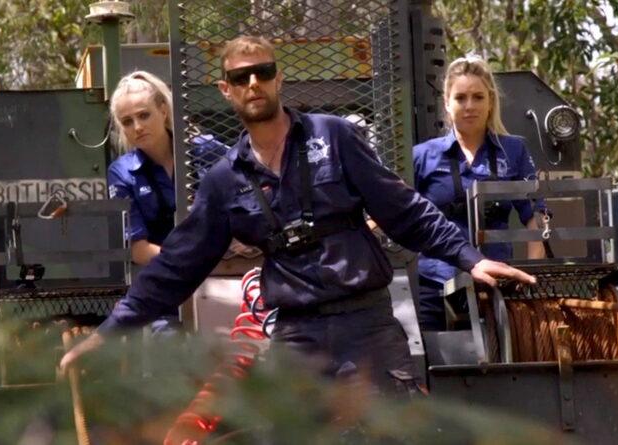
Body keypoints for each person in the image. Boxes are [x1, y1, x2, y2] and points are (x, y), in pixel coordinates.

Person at [61, 36, 535, 394]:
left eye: (263, 72)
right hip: (296, 334)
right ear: (226, 90)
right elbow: (174, 267)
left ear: (278, 79)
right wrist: (107, 333)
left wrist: (472, 259)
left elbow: (405, 210)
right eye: (241, 78)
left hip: (367, 324)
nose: (253, 84)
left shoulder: (335, 137)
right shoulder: (225, 180)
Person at [412, 55, 546, 332]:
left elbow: (533, 217)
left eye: (478, 97)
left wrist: (531, 280)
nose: (469, 106)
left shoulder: (514, 150)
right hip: (436, 286)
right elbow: (396, 210)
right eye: (460, 98)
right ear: (447, 103)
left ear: (491, 102)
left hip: (497, 285)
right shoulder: (422, 156)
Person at [107, 70, 228, 266]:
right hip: (169, 272)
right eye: (127, 122)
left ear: (163, 111)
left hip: (228, 264)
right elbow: (138, 250)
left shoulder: (205, 150)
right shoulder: (122, 172)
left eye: (144, 115)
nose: (137, 127)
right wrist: (191, 261)